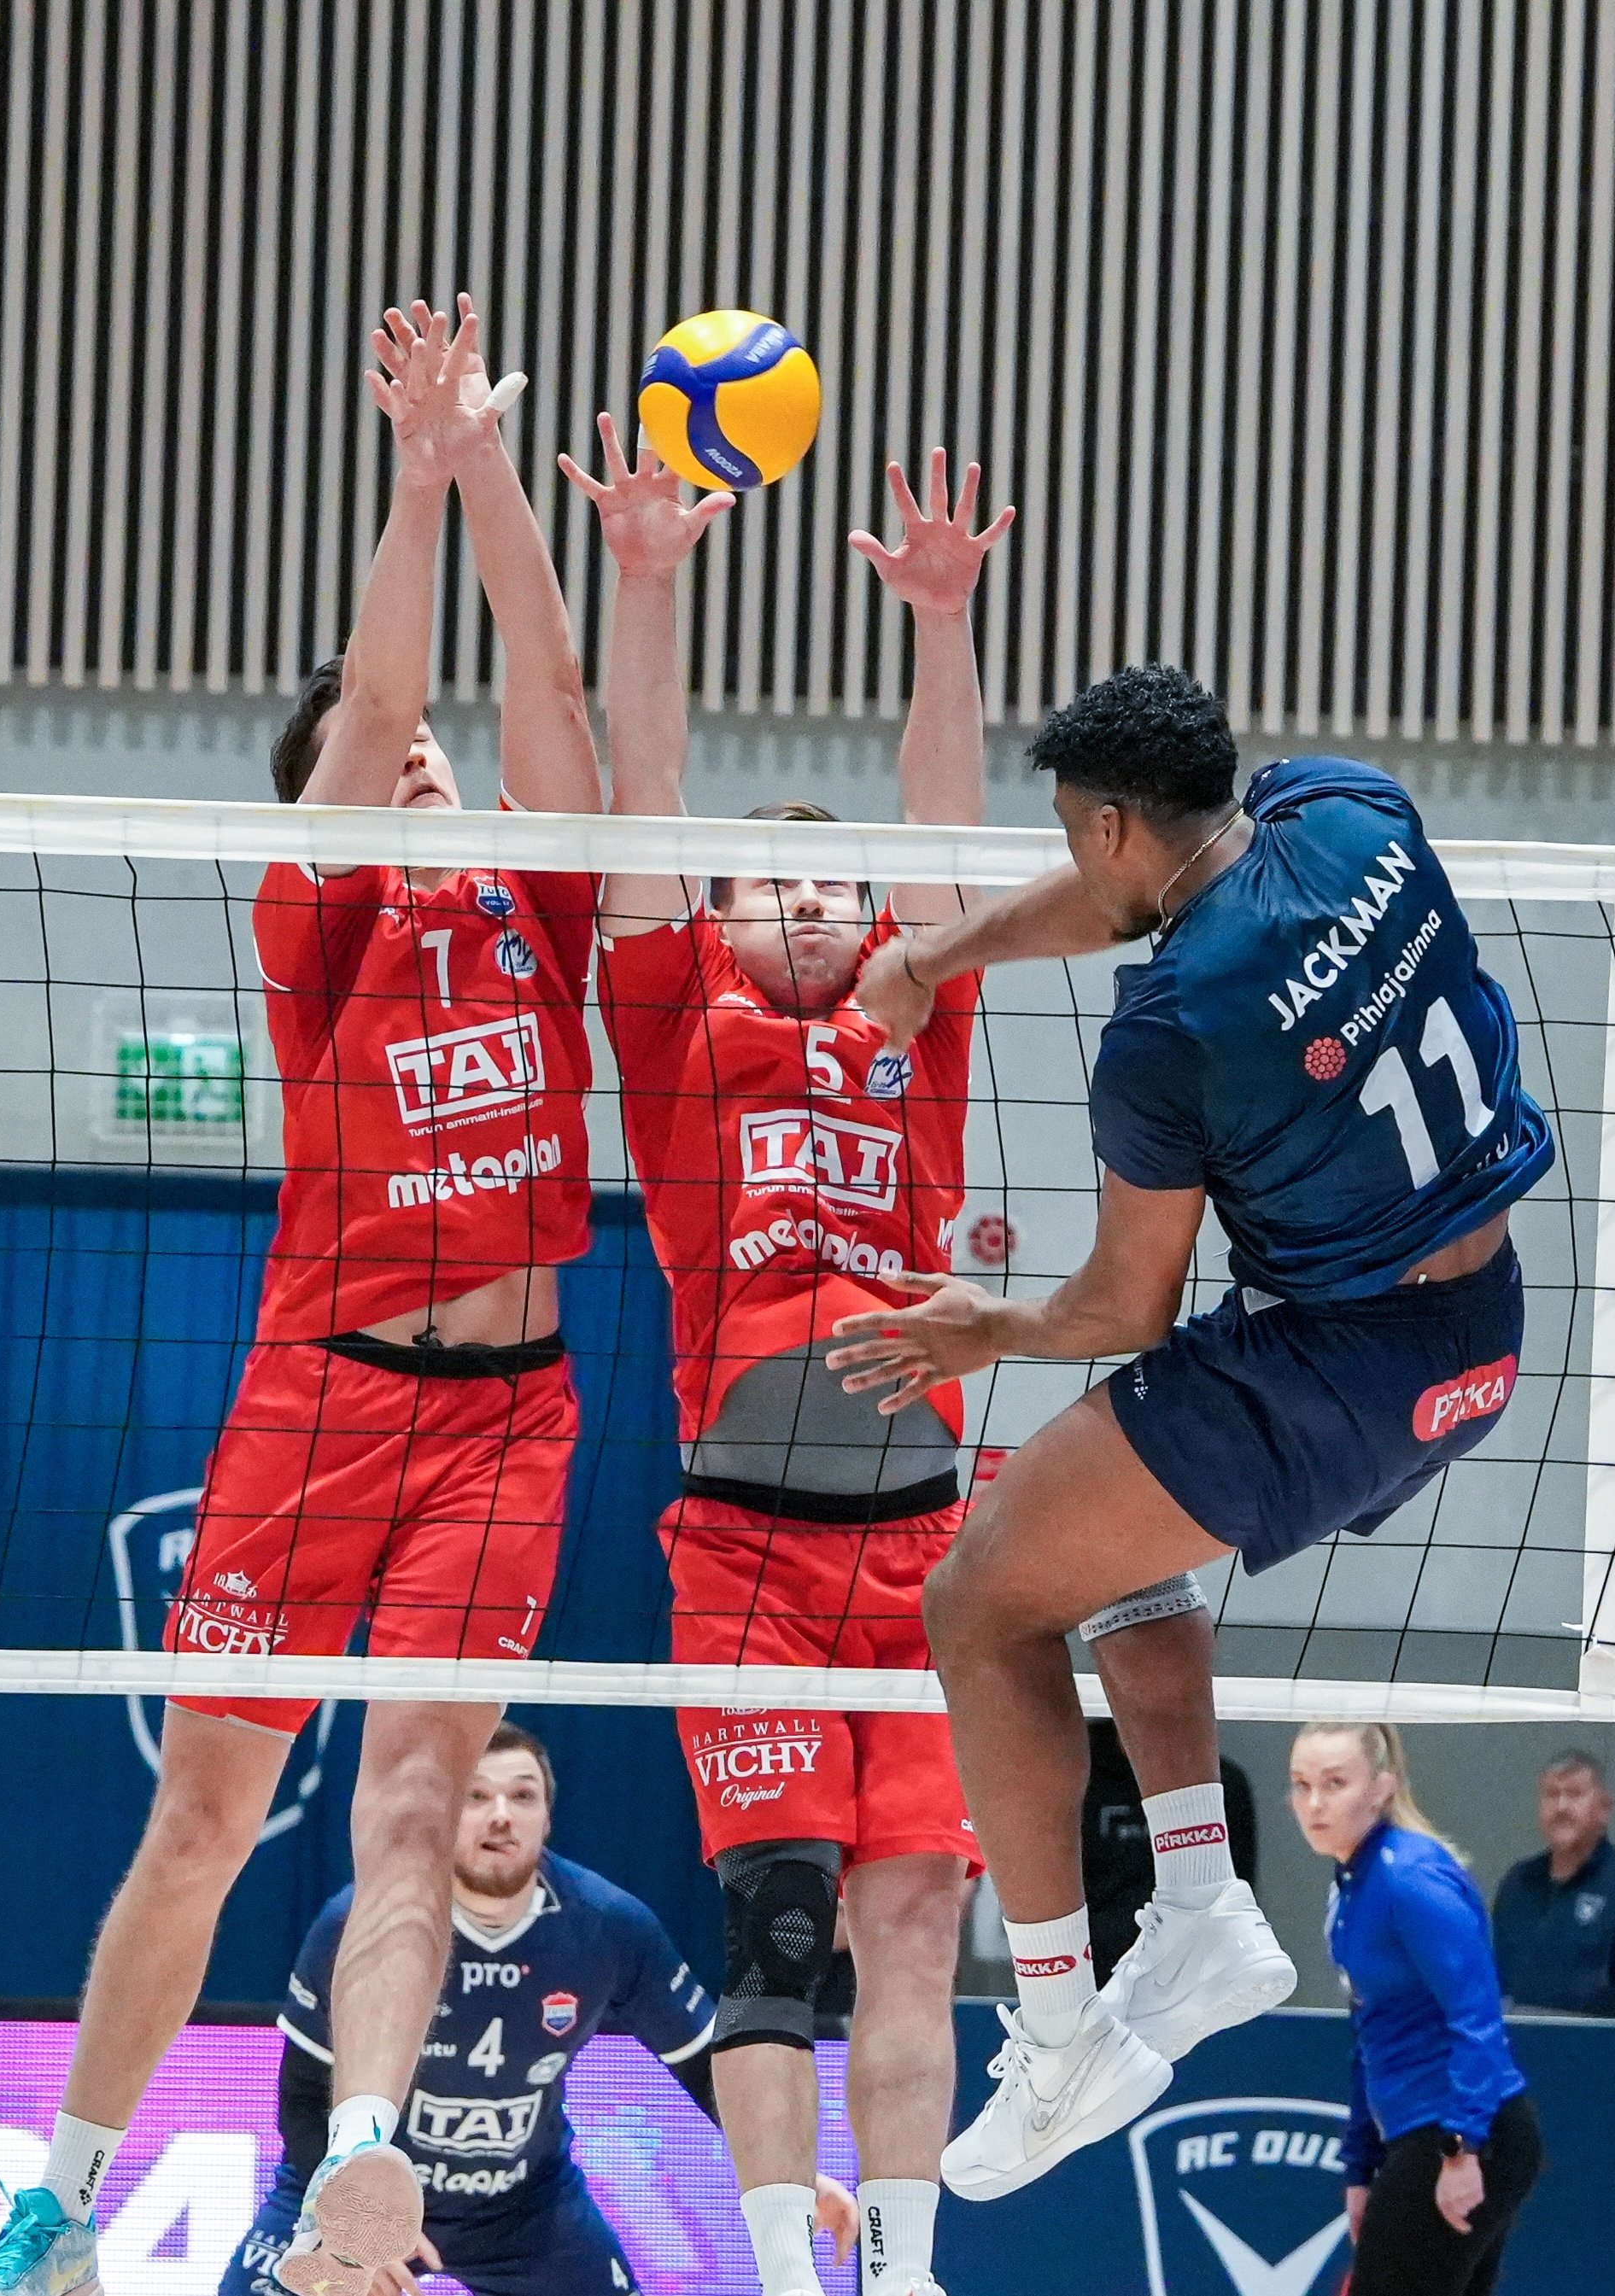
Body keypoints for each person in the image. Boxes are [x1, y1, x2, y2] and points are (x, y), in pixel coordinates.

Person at [0, 299, 608, 2296]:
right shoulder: (319, 926)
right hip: (317, 1402)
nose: (419, 755)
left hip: (508, 1420)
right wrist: (411, 487)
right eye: (381, 752)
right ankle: (61, 2207)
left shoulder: (541, 902)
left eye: (432, 752)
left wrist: (485, 471)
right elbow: (379, 688)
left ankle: (364, 2164)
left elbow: (550, 687)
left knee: (413, 1803)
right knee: (206, 1822)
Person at [824, 667, 1555, 2197]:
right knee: (1079, 1504)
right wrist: (936, 956)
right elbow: (1138, 902)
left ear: (1106, 825)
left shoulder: (1167, 1027)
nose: (1076, 857)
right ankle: (1203, 1907)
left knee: (975, 1601)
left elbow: (1121, 1305)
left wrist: (985, 1323)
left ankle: (1057, 2032)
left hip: (1337, 1364)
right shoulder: (1344, 807)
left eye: (1070, 831)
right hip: (1476, 1325)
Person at [566, 424, 1008, 2296]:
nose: (812, 904)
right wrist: (644, 583)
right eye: (771, 887)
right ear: (723, 918)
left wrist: (938, 625)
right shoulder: (679, 1020)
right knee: (778, 1930)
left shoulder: (917, 1009)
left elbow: (945, 837)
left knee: (911, 1932)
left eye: (833, 888)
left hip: (928, 1559)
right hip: (743, 1556)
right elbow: (647, 797)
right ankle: (770, 2269)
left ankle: (894, 2269)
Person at [220, 1726, 859, 2296]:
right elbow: (303, 2099)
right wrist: (356, 2223)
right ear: (442, 1810)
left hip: (524, 2209)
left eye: (522, 1796)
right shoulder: (360, 1923)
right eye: (476, 1796)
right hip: (370, 2195)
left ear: (548, 1816)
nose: (501, 1815)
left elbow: (706, 2063)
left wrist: (789, 2176)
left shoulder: (608, 1924)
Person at [1291, 1723, 1543, 2296]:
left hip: (1464, 2131)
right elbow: (1372, 2033)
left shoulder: (1410, 1878)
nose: (1314, 1803)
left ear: (1381, 1787)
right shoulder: (1352, 1882)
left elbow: (1476, 2015)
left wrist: (1462, 2148)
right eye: (1301, 1784)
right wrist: (1360, 2168)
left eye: (1334, 1783)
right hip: (1422, 2133)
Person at [1488, 1750, 1615, 2022]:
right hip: (1521, 2047)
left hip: (1604, 2048)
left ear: (1604, 1808)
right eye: (1552, 1794)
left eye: (1575, 1794)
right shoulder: (1516, 1884)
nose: (1561, 1807)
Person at [1078, 1718, 1261, 1981]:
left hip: (1189, 1966)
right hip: (1096, 1964)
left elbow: (1238, 1883)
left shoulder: (1224, 1783)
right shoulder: (1081, 1781)